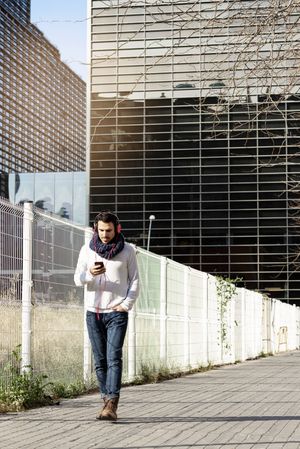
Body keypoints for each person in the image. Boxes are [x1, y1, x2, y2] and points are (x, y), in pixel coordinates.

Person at [74, 210, 139, 421]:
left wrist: (126, 304)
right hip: (93, 313)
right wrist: (88, 275)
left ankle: (112, 402)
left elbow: (135, 281)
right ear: (96, 229)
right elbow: (77, 278)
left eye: (108, 230)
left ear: (116, 229)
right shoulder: (87, 249)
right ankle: (106, 401)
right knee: (100, 360)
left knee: (113, 357)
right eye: (101, 230)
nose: (104, 234)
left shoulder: (127, 251)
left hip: (116, 312)